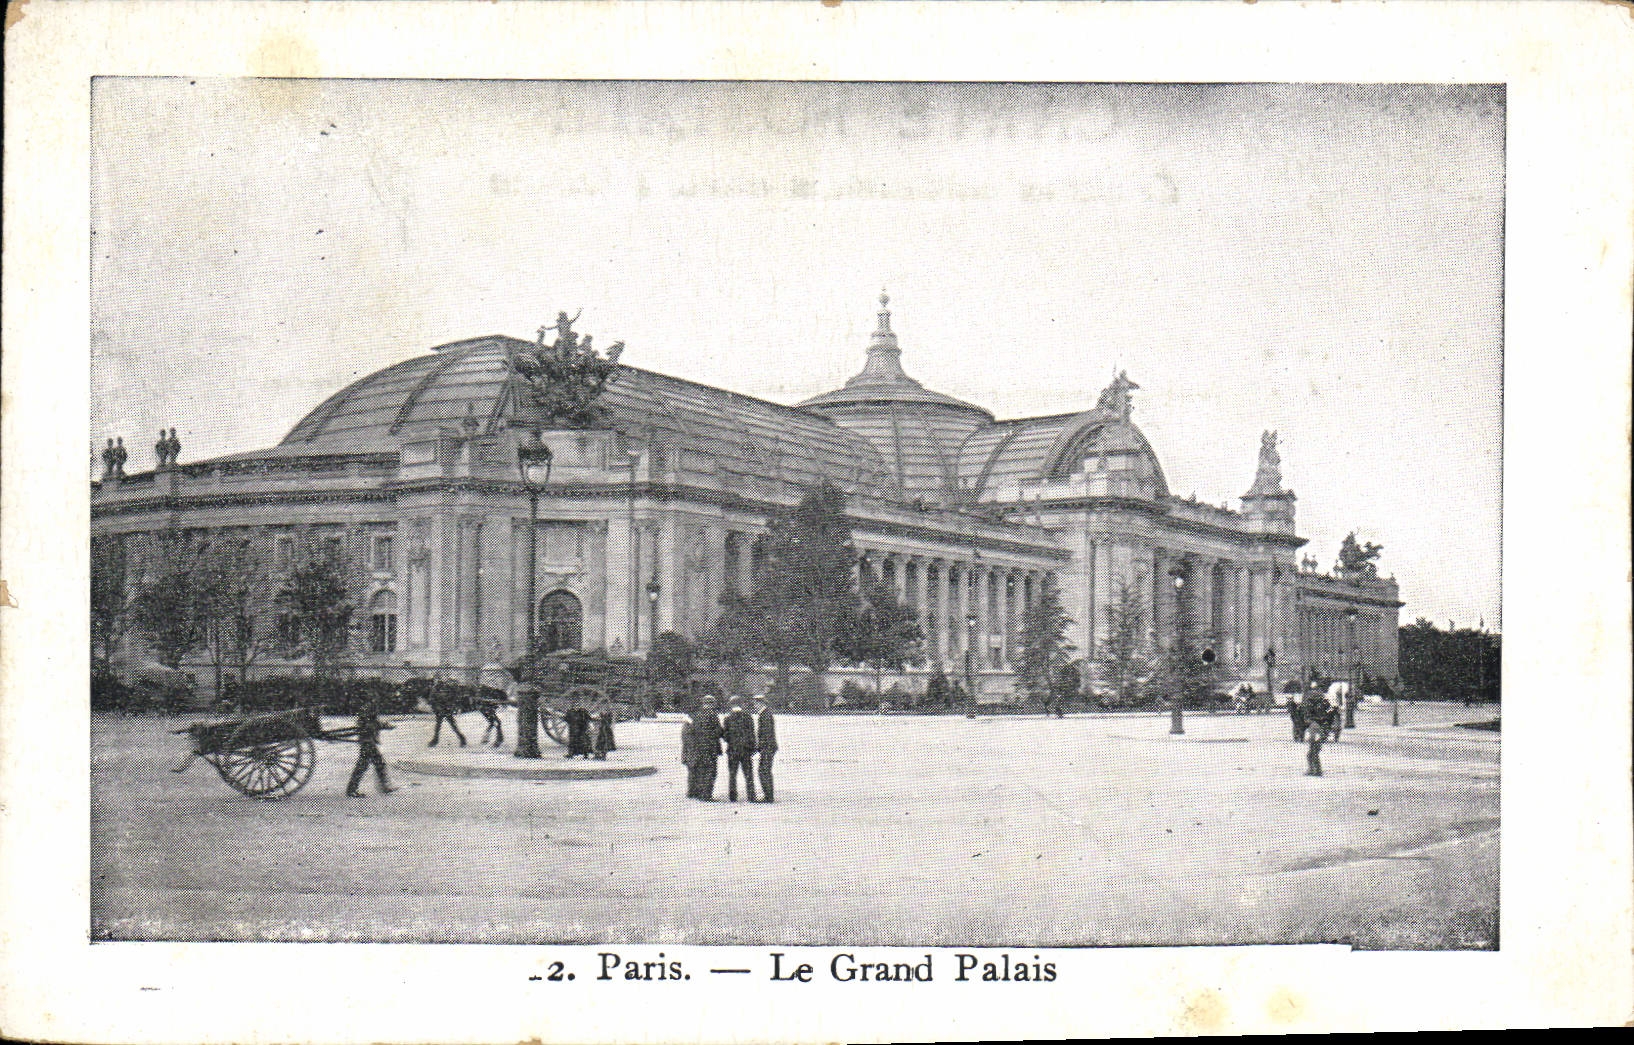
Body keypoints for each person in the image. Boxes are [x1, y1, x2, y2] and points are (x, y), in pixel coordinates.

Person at [346, 702, 396, 796]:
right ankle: (352, 789)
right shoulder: (368, 715)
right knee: (370, 764)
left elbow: (375, 723)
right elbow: (373, 724)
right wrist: (383, 726)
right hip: (368, 743)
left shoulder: (367, 714)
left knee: (373, 763)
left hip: (368, 742)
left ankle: (384, 786)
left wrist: (384, 726)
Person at [687, 697, 724, 800]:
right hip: (710, 748)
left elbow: (693, 731)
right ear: (712, 704)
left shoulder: (697, 715)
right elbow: (718, 731)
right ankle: (706, 795)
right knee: (710, 771)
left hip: (699, 748)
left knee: (701, 770)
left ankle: (699, 793)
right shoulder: (713, 715)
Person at [722, 697, 758, 802]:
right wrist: (752, 747)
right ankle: (751, 796)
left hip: (733, 750)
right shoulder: (748, 717)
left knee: (732, 774)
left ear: (731, 705)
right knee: (748, 774)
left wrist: (731, 739)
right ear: (741, 704)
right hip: (746, 750)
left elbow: (725, 736)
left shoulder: (728, 719)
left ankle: (732, 796)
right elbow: (752, 734)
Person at [754, 694, 778, 803]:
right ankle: (769, 795)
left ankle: (768, 796)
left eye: (755, 703)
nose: (754, 705)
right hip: (768, 747)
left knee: (764, 771)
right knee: (764, 770)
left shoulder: (765, 715)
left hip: (767, 747)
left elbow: (766, 733)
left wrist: (761, 747)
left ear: (761, 703)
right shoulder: (765, 714)